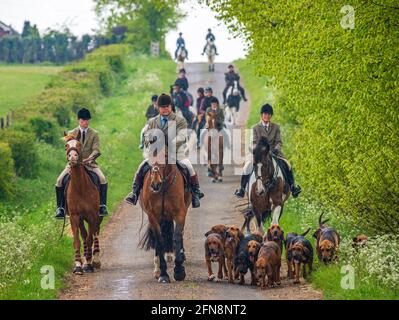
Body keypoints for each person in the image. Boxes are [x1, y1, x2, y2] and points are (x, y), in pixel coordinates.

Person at [125, 94, 204, 208]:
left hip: (176, 153)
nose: (166, 109)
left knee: (189, 167)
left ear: (171, 106)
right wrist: (153, 142)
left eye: (167, 106)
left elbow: (182, 137)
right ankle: (134, 193)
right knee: (141, 167)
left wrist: (170, 145)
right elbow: (147, 138)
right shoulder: (152, 122)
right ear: (158, 108)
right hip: (157, 154)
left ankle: (195, 192)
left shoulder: (180, 120)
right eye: (163, 107)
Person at [234, 104, 302, 198]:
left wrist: (275, 149)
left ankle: (293, 187)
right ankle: (241, 188)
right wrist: (260, 151)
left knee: (288, 164)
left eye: (269, 114)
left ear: (271, 115)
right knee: (247, 166)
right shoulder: (255, 127)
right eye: (265, 114)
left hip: (274, 152)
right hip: (258, 153)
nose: (267, 116)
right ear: (261, 115)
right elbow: (253, 142)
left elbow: (279, 141)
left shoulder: (276, 127)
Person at [55, 108, 108, 219]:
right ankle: (60, 208)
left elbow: (97, 150)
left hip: (90, 164)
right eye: (84, 120)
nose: (86, 122)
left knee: (102, 179)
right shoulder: (71, 133)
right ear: (79, 120)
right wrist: (72, 160)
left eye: (87, 120)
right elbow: (68, 150)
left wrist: (89, 159)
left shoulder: (94, 134)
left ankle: (102, 205)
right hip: (73, 164)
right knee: (59, 181)